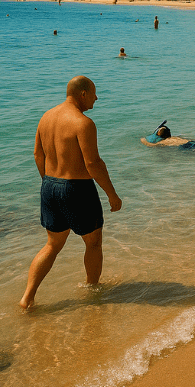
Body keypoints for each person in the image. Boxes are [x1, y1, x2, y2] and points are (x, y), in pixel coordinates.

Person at [20, 76, 123, 309]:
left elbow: (38, 155)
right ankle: (92, 292)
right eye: (94, 93)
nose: (97, 98)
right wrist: (112, 194)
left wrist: (49, 184)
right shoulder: (83, 123)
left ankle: (27, 298)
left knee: (52, 245)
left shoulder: (46, 117)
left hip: (49, 185)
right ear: (83, 94)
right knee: (93, 242)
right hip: (77, 189)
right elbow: (93, 163)